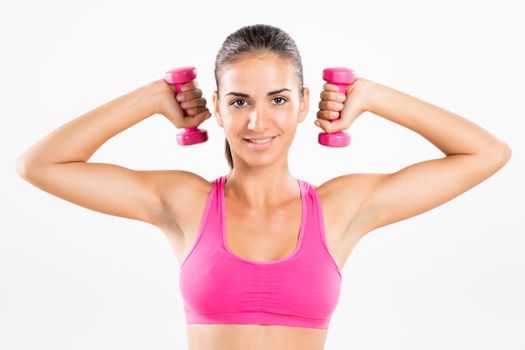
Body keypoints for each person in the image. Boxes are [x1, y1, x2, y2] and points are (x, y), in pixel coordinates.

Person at [15, 24, 511, 350]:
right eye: (238, 101)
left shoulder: (340, 209)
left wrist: (373, 96)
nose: (257, 121)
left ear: (302, 103)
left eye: (277, 98)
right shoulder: (185, 203)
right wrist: (151, 98)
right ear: (216, 105)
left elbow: (488, 154)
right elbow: (38, 165)